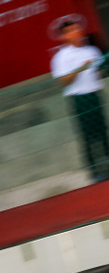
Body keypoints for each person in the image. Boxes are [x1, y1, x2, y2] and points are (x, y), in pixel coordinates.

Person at [51, 19, 109, 182]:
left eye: (78, 28)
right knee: (87, 135)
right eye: (72, 30)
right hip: (79, 98)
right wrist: (80, 68)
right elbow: (63, 81)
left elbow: (99, 72)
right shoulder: (61, 57)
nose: (78, 32)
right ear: (65, 36)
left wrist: (101, 69)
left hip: (95, 94)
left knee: (103, 131)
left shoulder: (92, 50)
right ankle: (94, 171)